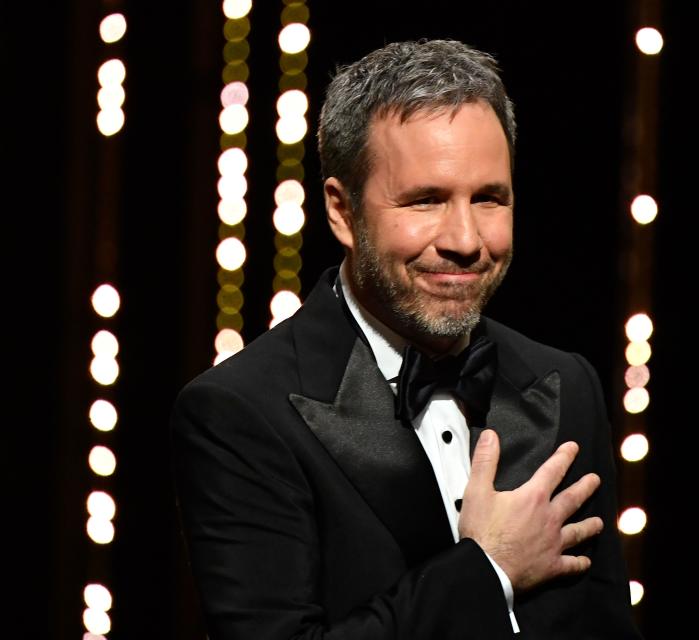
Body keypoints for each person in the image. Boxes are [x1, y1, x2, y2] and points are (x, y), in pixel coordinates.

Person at [171, 38, 641, 639]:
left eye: (489, 199)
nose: (466, 239)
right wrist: (487, 570)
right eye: (426, 201)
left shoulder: (565, 384)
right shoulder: (239, 412)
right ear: (342, 211)